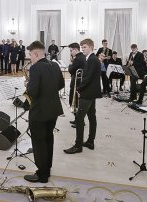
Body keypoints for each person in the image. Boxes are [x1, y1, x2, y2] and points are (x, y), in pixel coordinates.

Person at [23, 41, 65, 183]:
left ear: (36, 54)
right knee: (48, 138)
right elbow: (61, 84)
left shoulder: (35, 68)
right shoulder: (54, 64)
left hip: (39, 111)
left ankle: (42, 175)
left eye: (30, 55)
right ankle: (47, 168)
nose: (30, 58)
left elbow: (33, 92)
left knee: (39, 142)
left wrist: (27, 85)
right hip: (53, 110)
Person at [64, 38, 102, 154]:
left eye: (85, 47)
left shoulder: (92, 59)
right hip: (92, 92)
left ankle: (78, 146)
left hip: (88, 93)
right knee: (91, 117)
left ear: (91, 47)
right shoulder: (91, 58)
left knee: (79, 118)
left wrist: (79, 89)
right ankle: (90, 142)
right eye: (82, 47)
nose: (83, 49)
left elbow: (87, 78)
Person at [68, 42, 86, 127]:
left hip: (77, 83)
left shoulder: (78, 58)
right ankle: (77, 119)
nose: (71, 52)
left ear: (75, 50)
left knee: (74, 102)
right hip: (79, 82)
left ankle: (80, 122)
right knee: (75, 102)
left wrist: (70, 63)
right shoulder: (82, 57)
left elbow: (71, 70)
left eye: (71, 50)